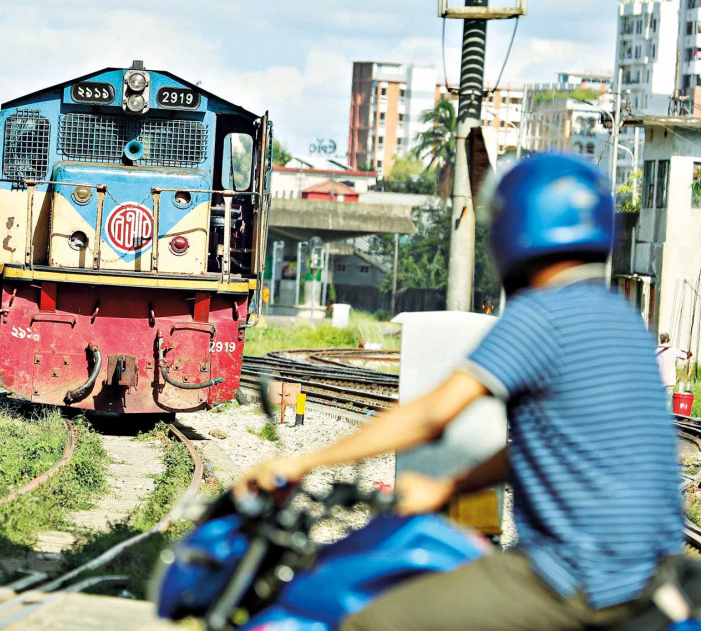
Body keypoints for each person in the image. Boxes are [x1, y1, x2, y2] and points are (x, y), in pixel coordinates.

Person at [236, 153, 680, 630]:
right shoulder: (622, 319)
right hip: (652, 574)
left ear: (514, 229)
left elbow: (430, 416)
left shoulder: (540, 315)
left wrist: (300, 462)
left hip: (575, 577)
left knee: (363, 619)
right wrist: (446, 487)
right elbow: (547, 448)